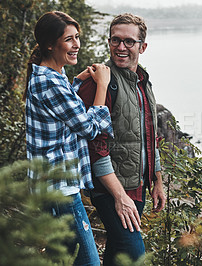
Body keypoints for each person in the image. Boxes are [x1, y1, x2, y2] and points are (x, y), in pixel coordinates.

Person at [24, 11, 113, 266]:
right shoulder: (50, 82)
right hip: (60, 188)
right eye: (69, 39)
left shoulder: (49, 75)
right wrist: (103, 86)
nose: (76, 45)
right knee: (88, 262)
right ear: (50, 44)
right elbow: (89, 128)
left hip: (49, 185)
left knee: (61, 259)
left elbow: (59, 110)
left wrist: (77, 82)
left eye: (77, 38)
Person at [78, 13, 166, 264]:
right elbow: (94, 147)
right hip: (110, 188)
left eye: (128, 42)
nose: (120, 47)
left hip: (136, 187)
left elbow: (150, 136)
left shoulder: (142, 82)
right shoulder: (100, 83)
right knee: (135, 256)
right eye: (115, 40)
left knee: (118, 255)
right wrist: (119, 196)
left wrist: (156, 180)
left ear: (142, 46)